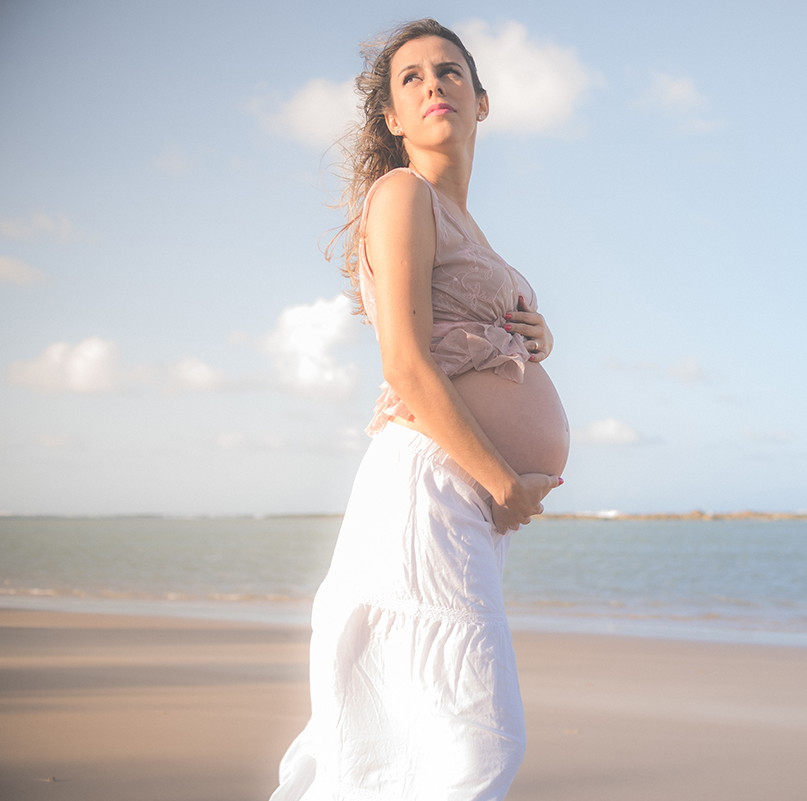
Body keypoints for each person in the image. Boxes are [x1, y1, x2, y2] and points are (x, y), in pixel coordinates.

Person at [270, 18, 570, 801]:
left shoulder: (472, 228)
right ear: (394, 120)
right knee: (476, 740)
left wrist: (539, 334)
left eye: (450, 71)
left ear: (483, 100)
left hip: (459, 499)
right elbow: (403, 362)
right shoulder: (402, 195)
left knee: (411, 743)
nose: (433, 84)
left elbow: (465, 339)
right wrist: (505, 483)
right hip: (431, 487)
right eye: (411, 78)